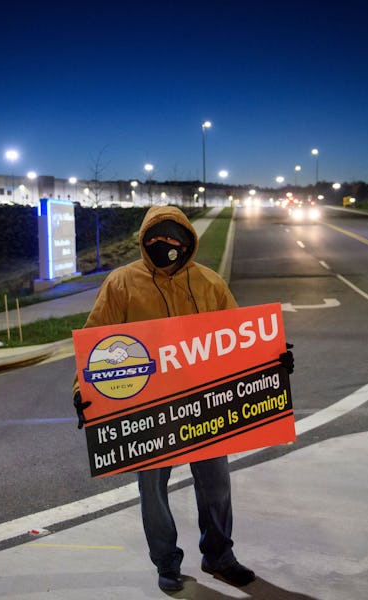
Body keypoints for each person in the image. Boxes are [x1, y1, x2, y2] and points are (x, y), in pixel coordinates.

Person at [72, 205, 293, 592]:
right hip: (149, 410)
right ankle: (167, 561)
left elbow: (238, 337)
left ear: (188, 241)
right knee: (152, 490)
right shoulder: (121, 283)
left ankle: (219, 555)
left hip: (205, 405)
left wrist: (271, 362)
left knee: (216, 484)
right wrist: (83, 390)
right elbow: (98, 343)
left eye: (174, 239)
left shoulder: (209, 283)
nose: (166, 246)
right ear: (144, 241)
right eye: (157, 240)